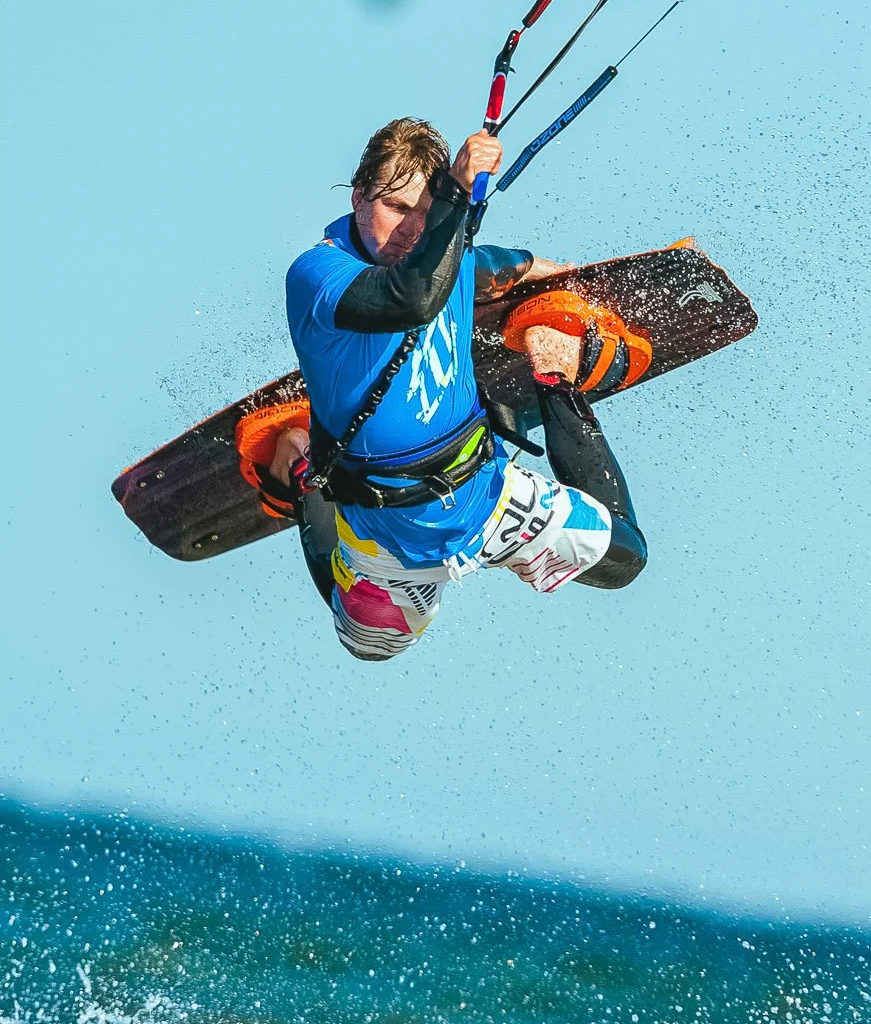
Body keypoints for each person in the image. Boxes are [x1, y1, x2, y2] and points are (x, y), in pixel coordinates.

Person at [240, 117, 648, 662]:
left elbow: (488, 264)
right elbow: (406, 299)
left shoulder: (450, 252)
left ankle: (553, 367)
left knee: (626, 560)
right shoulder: (316, 272)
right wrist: (454, 194)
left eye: (424, 213)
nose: (411, 228)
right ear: (359, 196)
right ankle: (298, 461)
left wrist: (541, 273)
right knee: (371, 645)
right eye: (396, 207)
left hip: (486, 496)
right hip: (378, 526)